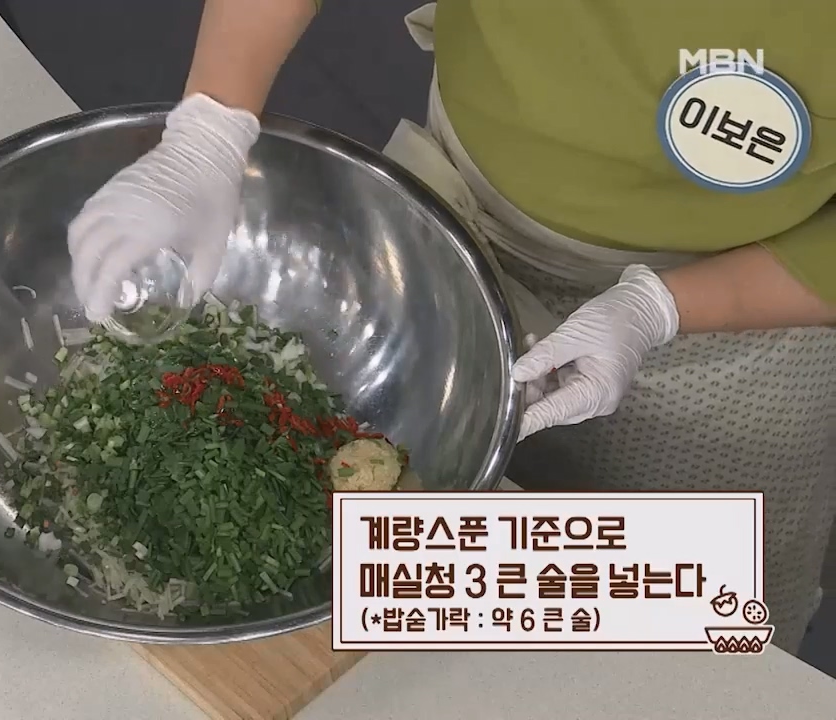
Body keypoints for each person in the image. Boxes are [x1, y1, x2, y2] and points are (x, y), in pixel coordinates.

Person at [66, 0, 836, 654]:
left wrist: (659, 308)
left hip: (744, 310)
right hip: (463, 213)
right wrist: (209, 127)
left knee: (698, 611)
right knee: (454, 600)